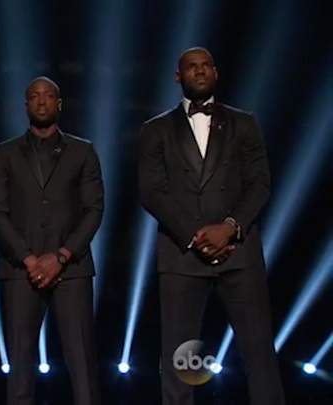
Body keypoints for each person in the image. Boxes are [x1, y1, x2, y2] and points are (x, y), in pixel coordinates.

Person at [138, 47, 285, 405]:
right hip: (182, 254)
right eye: (192, 67)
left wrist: (229, 228)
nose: (200, 71)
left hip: (239, 251)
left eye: (206, 65)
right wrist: (197, 236)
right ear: (178, 76)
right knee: (180, 358)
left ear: (216, 73)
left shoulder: (244, 123)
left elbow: (260, 183)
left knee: (259, 352)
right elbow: (151, 192)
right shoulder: (155, 129)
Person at [0, 76, 104, 405]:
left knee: (81, 361)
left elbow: (94, 209)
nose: (42, 101)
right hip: (19, 270)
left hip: (72, 269)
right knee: (20, 364)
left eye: (48, 96)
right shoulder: (4, 153)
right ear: (26, 105)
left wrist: (62, 255)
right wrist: (28, 258)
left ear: (59, 104)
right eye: (35, 96)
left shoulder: (83, 150)